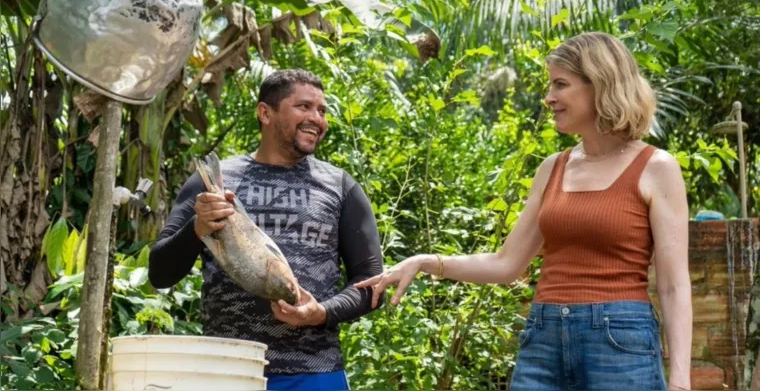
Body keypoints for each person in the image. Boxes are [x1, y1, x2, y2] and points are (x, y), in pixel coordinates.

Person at [356, 32, 692, 391]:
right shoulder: (553, 168)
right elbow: (507, 263)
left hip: (620, 342)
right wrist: (425, 261)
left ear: (600, 84)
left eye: (560, 84)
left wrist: (681, 381)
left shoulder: (657, 167)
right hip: (543, 337)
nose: (549, 97)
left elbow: (673, 286)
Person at [149, 69, 384, 391]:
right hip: (225, 371)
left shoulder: (341, 187)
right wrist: (197, 228)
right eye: (304, 107)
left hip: (314, 372)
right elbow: (160, 274)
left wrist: (321, 313)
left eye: (322, 110)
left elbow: (373, 282)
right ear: (265, 113)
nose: (317, 118)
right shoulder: (213, 183)